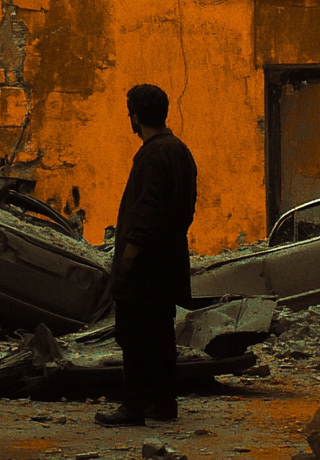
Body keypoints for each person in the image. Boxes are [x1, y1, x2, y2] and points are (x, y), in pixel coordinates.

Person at [95, 84, 198, 427]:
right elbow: (185, 209)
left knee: (135, 335)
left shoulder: (153, 155)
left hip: (146, 267)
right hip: (169, 263)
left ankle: (134, 405)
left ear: (136, 117)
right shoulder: (180, 151)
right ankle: (164, 403)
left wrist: (127, 259)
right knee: (160, 334)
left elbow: (147, 211)